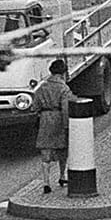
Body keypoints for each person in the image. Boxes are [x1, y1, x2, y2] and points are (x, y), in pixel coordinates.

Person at [32, 60, 77, 194]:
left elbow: (35, 106)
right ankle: (62, 176)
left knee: (45, 152)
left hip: (45, 120)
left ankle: (46, 183)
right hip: (58, 119)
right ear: (63, 73)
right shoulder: (64, 88)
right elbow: (65, 108)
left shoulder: (42, 87)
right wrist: (67, 126)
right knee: (62, 149)